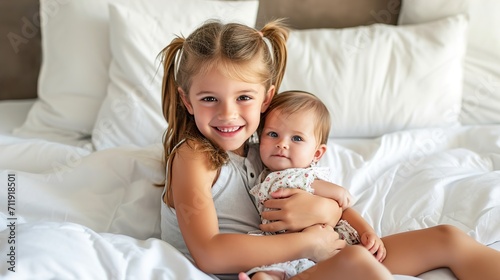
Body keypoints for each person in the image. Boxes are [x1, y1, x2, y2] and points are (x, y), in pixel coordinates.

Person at [159, 18, 500, 280]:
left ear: (266, 98)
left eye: (243, 97)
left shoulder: (261, 148)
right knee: (355, 262)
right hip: (267, 272)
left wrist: (326, 214)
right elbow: (210, 254)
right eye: (209, 99)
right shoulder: (194, 156)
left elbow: (308, 196)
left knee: (447, 239)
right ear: (187, 100)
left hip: (311, 258)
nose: (228, 114)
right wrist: (308, 243)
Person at [244, 90, 386, 279]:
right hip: (282, 248)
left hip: (325, 250)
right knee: (263, 273)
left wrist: (367, 231)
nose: (282, 144)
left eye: (296, 138)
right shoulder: (267, 176)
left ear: (317, 154)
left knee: (354, 261)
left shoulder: (311, 178)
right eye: (272, 134)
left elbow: (344, 210)